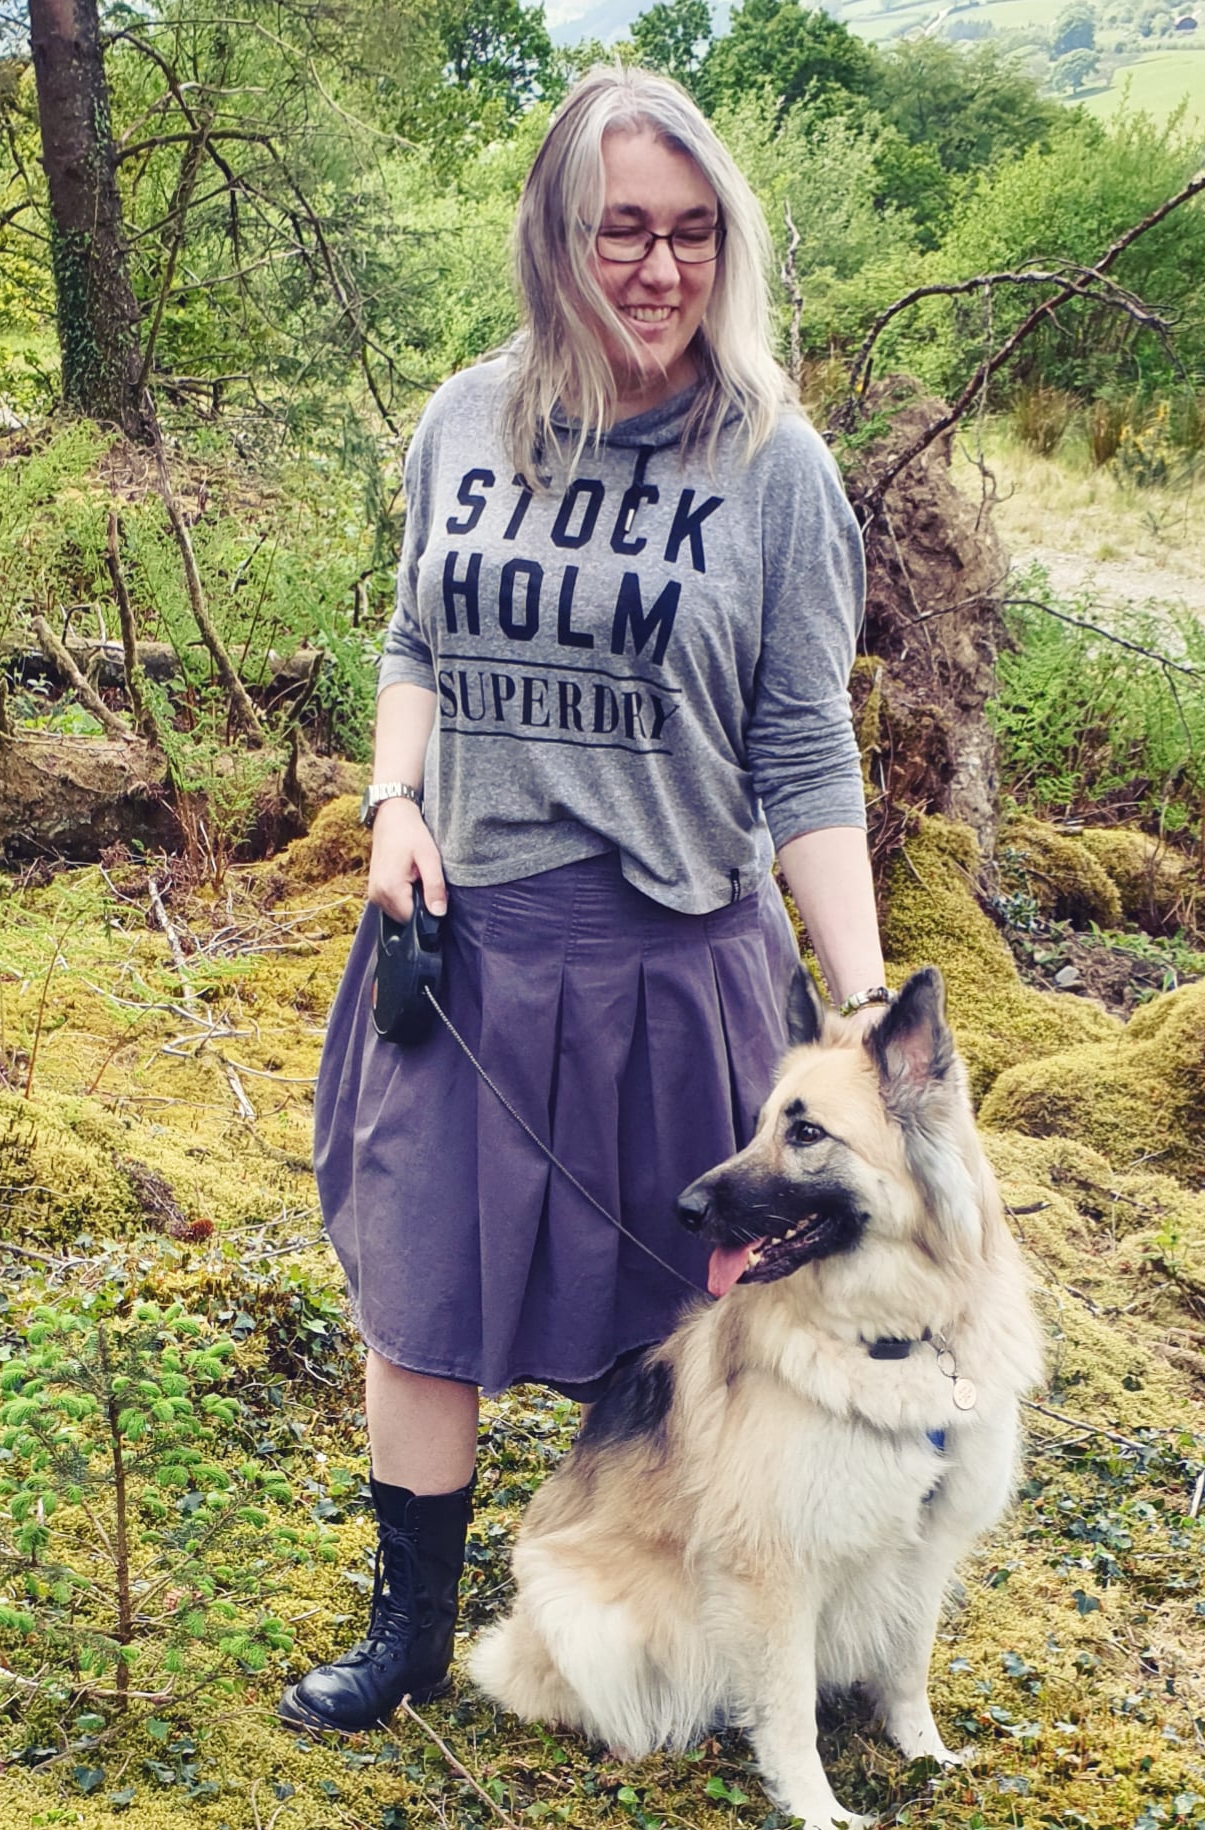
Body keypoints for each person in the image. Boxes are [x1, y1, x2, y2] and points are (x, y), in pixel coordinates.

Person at [280, 64, 890, 1735]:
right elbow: (412, 639)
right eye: (620, 229)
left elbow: (803, 742)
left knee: (705, 1328)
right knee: (419, 1298)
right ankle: (410, 1630)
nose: (657, 269)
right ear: (554, 234)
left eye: (691, 234)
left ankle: (737, 1611)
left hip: (675, 959)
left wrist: (862, 1004)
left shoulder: (771, 465)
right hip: (466, 955)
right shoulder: (462, 420)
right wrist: (393, 795)